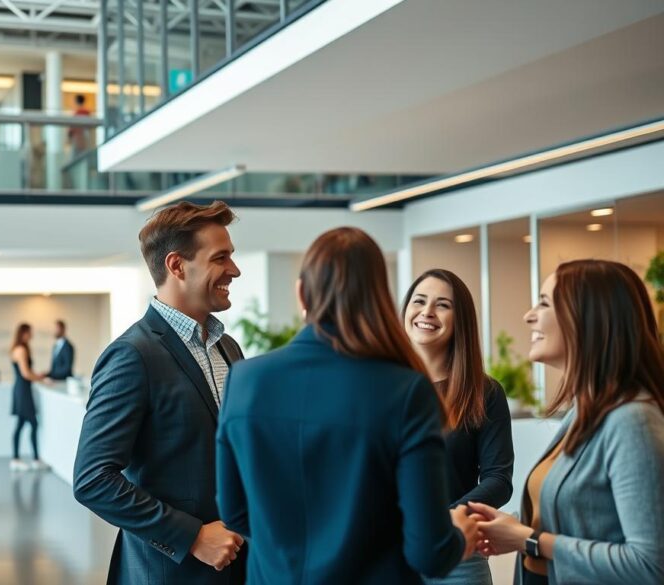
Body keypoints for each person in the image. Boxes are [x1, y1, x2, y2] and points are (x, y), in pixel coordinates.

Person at [216, 227, 478, 584]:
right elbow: (429, 554)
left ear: (301, 292)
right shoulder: (405, 390)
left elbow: (233, 511)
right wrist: (460, 536)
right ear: (379, 298)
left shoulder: (245, 380)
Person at [74, 200, 247, 585]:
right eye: (221, 258)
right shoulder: (132, 355)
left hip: (237, 567)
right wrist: (193, 536)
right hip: (168, 572)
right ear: (176, 265)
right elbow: (93, 479)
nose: (234, 270)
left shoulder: (228, 347)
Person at [470, 260, 664, 585]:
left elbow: (651, 564)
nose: (529, 315)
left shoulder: (633, 421)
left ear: (589, 318)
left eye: (544, 303)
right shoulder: (584, 410)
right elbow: (585, 519)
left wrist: (529, 540)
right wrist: (509, 526)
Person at [402, 269, 515, 585]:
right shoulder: (379, 385)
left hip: (458, 554)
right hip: (390, 550)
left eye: (443, 305)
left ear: (459, 319)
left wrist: (442, 517)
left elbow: (499, 479)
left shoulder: (485, 392)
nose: (427, 312)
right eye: (419, 301)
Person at [10, 323, 49, 471]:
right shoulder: (21, 350)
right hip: (23, 391)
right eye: (30, 332)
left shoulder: (20, 349)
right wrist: (41, 379)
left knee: (21, 425)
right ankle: (34, 459)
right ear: (24, 333)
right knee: (32, 423)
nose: (32, 335)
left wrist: (39, 376)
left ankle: (18, 458)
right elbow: (26, 373)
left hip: (22, 389)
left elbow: (27, 372)